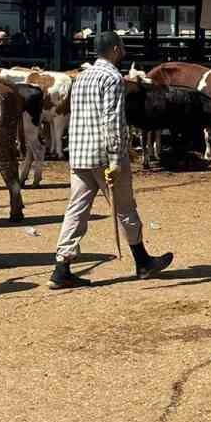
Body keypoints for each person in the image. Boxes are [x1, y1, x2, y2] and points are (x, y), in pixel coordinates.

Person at [52, 31, 172, 288]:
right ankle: (142, 262)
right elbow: (113, 120)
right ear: (116, 49)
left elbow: (75, 115)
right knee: (125, 207)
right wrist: (117, 158)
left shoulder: (81, 77)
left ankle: (61, 266)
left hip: (80, 153)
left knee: (76, 209)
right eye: (123, 46)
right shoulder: (113, 78)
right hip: (105, 155)